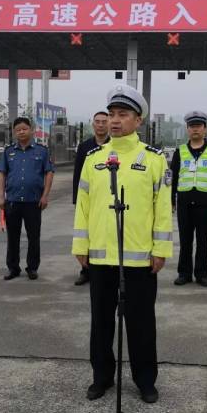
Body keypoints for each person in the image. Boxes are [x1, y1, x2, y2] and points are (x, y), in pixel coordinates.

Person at [72, 84, 172, 404]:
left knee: (141, 323)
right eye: (112, 114)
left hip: (140, 260)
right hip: (101, 258)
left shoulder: (154, 160)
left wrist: (161, 250)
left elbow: (162, 209)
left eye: (123, 115)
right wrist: (80, 244)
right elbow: (83, 206)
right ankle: (101, 377)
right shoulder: (94, 159)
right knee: (101, 322)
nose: (115, 121)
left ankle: (145, 380)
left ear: (137, 120)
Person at [170, 111, 207, 287]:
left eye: (198, 126)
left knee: (203, 240)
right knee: (185, 239)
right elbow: (172, 178)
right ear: (187, 129)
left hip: (205, 202)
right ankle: (184, 273)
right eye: (192, 126)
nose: (195, 130)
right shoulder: (179, 152)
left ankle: (202, 274)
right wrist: (171, 200)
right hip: (185, 202)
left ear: (205, 129)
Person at [0, 117, 54, 281]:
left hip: (33, 201)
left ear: (31, 130)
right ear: (14, 133)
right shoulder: (8, 152)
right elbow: (2, 174)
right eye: (18, 130)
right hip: (13, 201)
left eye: (24, 129)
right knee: (12, 237)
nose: (21, 132)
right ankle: (13, 268)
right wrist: (1, 197)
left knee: (33, 236)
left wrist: (45, 196)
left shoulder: (42, 151)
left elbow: (49, 173)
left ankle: (32, 268)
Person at [72, 111, 110, 286]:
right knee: (87, 235)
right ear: (92, 124)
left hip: (108, 200)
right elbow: (78, 175)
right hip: (89, 200)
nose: (101, 125)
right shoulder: (85, 147)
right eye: (98, 122)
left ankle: (105, 269)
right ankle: (86, 271)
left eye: (104, 121)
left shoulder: (114, 146)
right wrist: (76, 200)